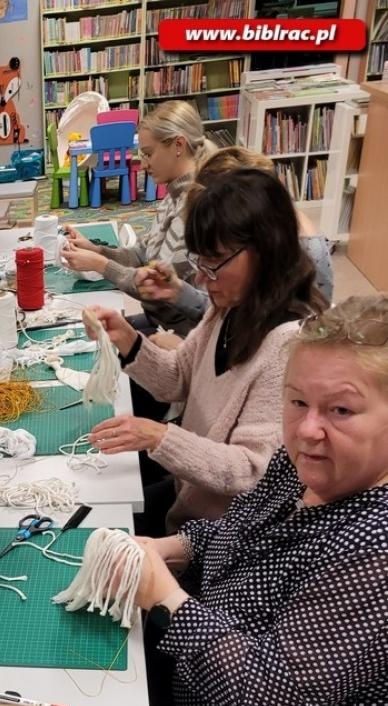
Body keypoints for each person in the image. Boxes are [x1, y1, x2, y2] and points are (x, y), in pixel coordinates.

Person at [127, 294, 388, 706]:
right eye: (296, 402)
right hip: (216, 674)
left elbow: (268, 691)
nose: (307, 430)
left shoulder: (373, 549)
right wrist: (172, 546)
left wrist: (168, 601)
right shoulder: (307, 468)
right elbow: (237, 533)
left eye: (340, 410)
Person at [85, 169, 326, 535]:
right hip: (189, 498)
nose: (200, 278)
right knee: (95, 504)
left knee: (100, 529)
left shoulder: (288, 347)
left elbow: (250, 470)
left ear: (265, 249)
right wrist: (127, 338)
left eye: (213, 261)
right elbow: (176, 380)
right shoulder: (230, 307)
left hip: (219, 538)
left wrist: (160, 437)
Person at [135, 145, 334, 338]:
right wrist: (179, 292)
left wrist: (185, 356)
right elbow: (228, 311)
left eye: (215, 258)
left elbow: (239, 327)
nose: (200, 277)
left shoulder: (305, 256)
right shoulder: (261, 248)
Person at [60, 100, 213, 337]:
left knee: (102, 344)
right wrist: (97, 251)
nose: (143, 164)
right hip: (162, 322)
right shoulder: (172, 196)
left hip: (183, 336)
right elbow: (142, 255)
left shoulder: (196, 208)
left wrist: (100, 265)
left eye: (149, 154)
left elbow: (157, 285)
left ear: (178, 145)